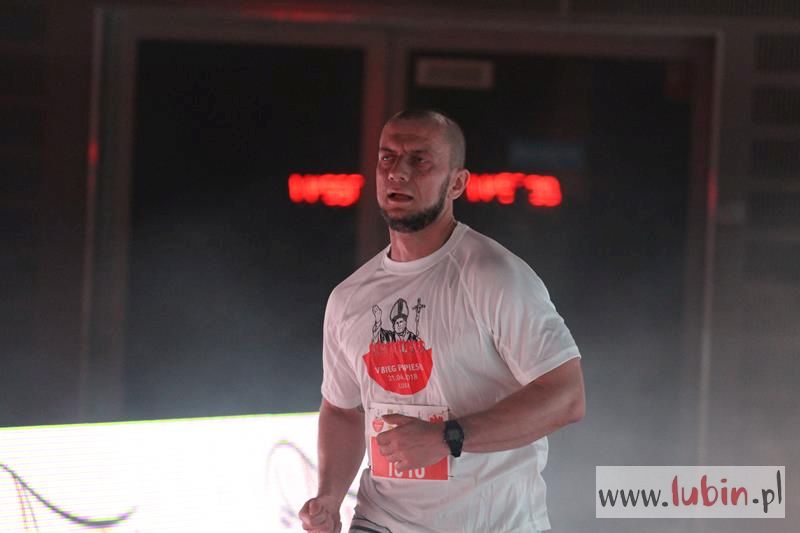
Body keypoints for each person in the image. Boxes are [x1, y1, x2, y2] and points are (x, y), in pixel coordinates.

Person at [298, 109, 585, 533]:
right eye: (387, 157)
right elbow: (342, 410)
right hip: (382, 522)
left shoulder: (495, 276)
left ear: (457, 183)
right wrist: (329, 496)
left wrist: (447, 437)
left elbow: (567, 396)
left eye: (420, 160)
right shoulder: (349, 297)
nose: (398, 173)